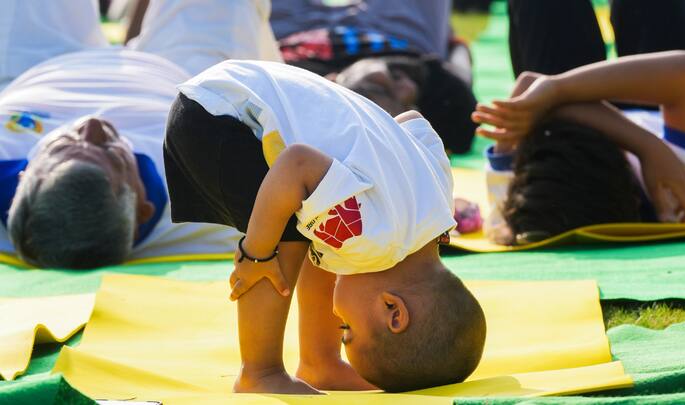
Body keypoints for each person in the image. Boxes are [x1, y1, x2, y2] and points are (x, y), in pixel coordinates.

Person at [164, 60, 486, 393]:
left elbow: (412, 122)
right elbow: (296, 164)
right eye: (348, 328)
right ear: (393, 310)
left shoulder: (436, 209)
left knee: (323, 233)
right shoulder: (374, 237)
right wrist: (256, 253)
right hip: (217, 117)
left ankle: (321, 363)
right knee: (284, 233)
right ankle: (259, 373)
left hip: (240, 91)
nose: (339, 319)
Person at [0, 0, 280, 268]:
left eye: (62, 146)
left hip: (34, 66)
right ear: (143, 209)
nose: (93, 125)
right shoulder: (221, 206)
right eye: (111, 150)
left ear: (21, 182)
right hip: (182, 74)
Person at [472, 0, 685, 245]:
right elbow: (683, 71)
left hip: (567, 107)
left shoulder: (518, 212)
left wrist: (555, 90)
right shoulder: (683, 202)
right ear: (635, 198)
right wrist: (648, 146)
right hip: (665, 108)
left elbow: (527, 88)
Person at [267, 0, 478, 154]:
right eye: (411, 108)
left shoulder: (291, 87)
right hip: (401, 32)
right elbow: (461, 83)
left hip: (284, 30)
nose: (407, 89)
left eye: (380, 88)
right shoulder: (442, 107)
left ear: (333, 81)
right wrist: (459, 48)